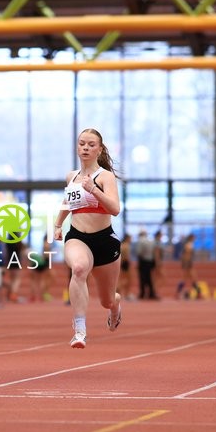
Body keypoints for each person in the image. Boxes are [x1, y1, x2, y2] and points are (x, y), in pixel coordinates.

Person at [53, 128, 122, 349]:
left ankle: (115, 306)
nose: (85, 148)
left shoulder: (105, 176)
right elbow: (67, 201)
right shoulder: (71, 176)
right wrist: (57, 224)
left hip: (104, 240)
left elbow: (115, 209)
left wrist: (94, 190)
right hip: (77, 236)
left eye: (91, 144)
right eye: (82, 143)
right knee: (79, 268)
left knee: (107, 300)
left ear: (99, 149)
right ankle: (80, 330)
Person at [176, 233, 200, 299]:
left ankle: (178, 292)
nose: (195, 239)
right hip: (188, 263)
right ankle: (198, 293)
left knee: (188, 278)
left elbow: (184, 255)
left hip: (187, 263)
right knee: (191, 278)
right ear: (191, 238)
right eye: (194, 238)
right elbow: (187, 255)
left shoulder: (188, 244)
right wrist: (186, 264)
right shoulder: (189, 245)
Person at [135, 230, 157, 300]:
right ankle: (151, 293)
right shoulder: (150, 241)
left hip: (143, 261)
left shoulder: (140, 241)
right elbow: (154, 251)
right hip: (150, 260)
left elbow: (139, 252)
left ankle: (142, 293)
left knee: (142, 277)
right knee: (149, 277)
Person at [118, 233, 135, 300]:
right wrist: (129, 265)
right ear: (127, 238)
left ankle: (120, 292)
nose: (131, 240)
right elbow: (127, 257)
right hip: (125, 263)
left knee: (122, 279)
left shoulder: (121, 245)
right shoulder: (126, 246)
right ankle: (127, 294)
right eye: (130, 238)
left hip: (122, 263)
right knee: (129, 280)